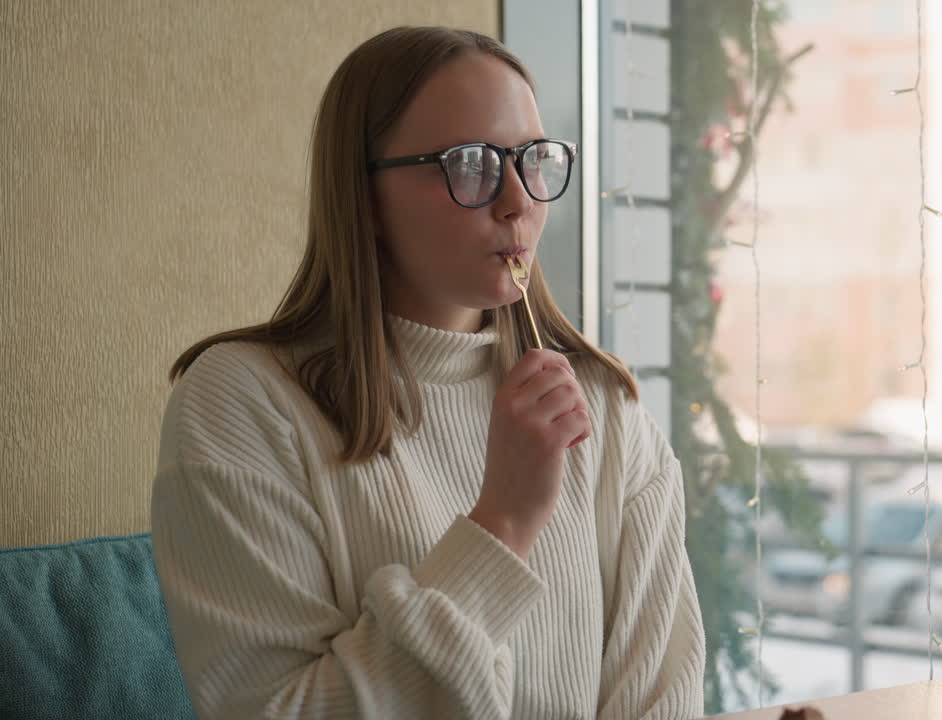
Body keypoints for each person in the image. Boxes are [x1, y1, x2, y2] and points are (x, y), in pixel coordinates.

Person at [151, 26, 705, 720]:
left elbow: (663, 699)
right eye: (470, 164)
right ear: (365, 198)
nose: (518, 201)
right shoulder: (242, 402)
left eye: (533, 159)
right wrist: (503, 521)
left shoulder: (607, 409)